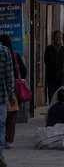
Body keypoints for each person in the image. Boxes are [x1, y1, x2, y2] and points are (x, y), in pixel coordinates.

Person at [0, 36, 13, 167]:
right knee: (0, 126)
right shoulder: (4, 51)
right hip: (1, 96)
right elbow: (9, 75)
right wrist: (11, 94)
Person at [44, 31, 63, 101]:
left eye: (60, 37)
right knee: (51, 95)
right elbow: (46, 61)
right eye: (57, 37)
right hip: (51, 76)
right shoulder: (49, 48)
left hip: (60, 77)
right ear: (53, 38)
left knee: (60, 95)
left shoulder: (63, 49)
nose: (58, 38)